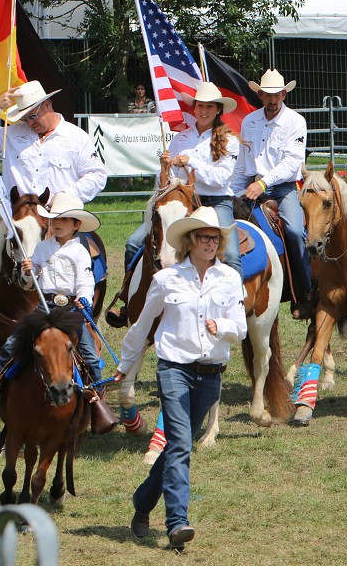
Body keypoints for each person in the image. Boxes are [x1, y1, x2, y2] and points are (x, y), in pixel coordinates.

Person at [115, 206, 246, 551]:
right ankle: (177, 523)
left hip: (211, 375)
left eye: (215, 237)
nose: (210, 242)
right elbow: (141, 327)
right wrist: (126, 365)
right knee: (180, 447)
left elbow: (242, 328)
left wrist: (225, 328)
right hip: (173, 369)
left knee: (179, 445)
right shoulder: (165, 280)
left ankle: (143, 501)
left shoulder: (230, 279)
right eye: (203, 236)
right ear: (189, 241)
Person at [0, 80, 107, 354]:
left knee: (94, 260)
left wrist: (66, 196)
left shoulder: (76, 138)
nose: (29, 121)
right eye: (24, 116)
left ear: (47, 105)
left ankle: (87, 320)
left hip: (58, 217)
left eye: (33, 115)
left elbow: (97, 175)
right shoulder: (13, 134)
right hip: (17, 218)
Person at [0, 193, 105, 414]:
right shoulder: (42, 248)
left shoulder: (80, 251)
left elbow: (86, 279)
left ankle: (96, 397)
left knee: (89, 353)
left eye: (64, 220)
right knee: (11, 345)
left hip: (70, 308)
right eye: (55, 219)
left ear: (77, 225)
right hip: (44, 307)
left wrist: (85, 299)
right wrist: (28, 272)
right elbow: (30, 282)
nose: (57, 223)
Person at [232, 69, 312, 318]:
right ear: (260, 95)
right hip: (251, 186)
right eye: (267, 95)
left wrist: (263, 184)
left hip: (282, 188)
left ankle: (305, 292)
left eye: (277, 94)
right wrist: (235, 194)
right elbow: (241, 162)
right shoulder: (250, 121)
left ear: (284, 94)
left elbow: (291, 163)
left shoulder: (295, 121)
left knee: (295, 231)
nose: (272, 99)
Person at [159, 81, 242, 277]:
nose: (203, 111)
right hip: (184, 203)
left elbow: (221, 178)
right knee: (136, 243)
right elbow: (169, 181)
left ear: (218, 110)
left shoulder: (229, 140)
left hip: (217, 202)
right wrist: (164, 169)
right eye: (200, 105)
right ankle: (130, 298)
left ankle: (238, 303)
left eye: (209, 106)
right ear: (194, 108)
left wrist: (191, 162)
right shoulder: (180, 138)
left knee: (231, 255)